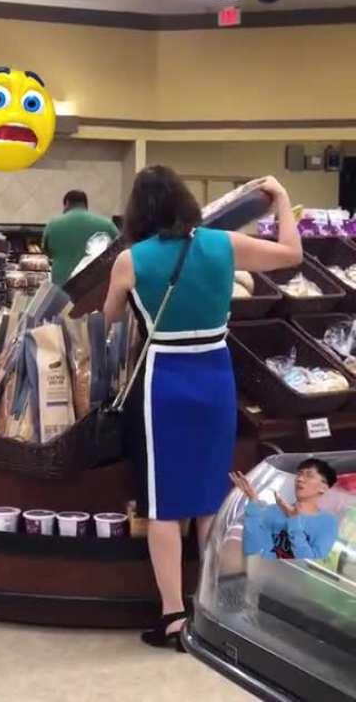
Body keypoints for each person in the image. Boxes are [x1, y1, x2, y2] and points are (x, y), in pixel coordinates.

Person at [103, 166, 302, 653]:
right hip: (215, 377)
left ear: (138, 211)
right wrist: (280, 200)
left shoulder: (130, 260)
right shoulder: (224, 245)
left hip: (163, 381)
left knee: (163, 505)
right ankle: (214, 610)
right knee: (210, 499)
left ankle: (172, 617)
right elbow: (293, 255)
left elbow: (106, 322)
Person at [230, 458, 339, 560]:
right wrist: (253, 501)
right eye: (299, 474)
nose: (300, 479)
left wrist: (293, 521)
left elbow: (311, 561)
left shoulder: (328, 522)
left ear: (323, 488)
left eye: (309, 475)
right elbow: (251, 551)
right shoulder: (273, 510)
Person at [43, 190, 119, 286]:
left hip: (61, 287)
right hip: (93, 288)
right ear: (85, 205)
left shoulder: (52, 224)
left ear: (67, 203)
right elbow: (121, 250)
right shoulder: (107, 224)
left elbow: (47, 252)